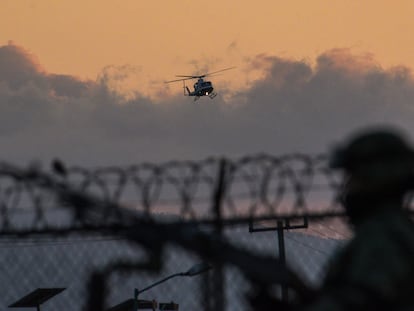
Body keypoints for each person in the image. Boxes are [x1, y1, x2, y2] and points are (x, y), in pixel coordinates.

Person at [250, 127, 414, 310]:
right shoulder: (395, 230)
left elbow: (357, 303)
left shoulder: (382, 237)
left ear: (375, 176)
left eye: (354, 177)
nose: (348, 187)